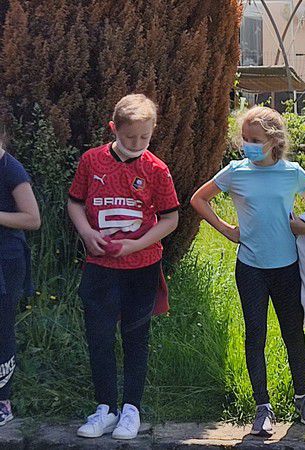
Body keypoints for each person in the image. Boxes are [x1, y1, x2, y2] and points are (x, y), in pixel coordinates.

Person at [190, 106, 305, 437]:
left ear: (274, 141)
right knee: (256, 335)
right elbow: (198, 199)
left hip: (287, 268)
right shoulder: (236, 171)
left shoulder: (292, 172)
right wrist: (227, 230)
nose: (248, 145)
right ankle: (262, 407)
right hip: (251, 267)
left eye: (256, 140)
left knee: (293, 333)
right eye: (245, 139)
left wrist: (304, 225)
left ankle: (302, 399)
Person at [67, 94, 180, 440]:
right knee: (99, 336)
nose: (136, 144)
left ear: (152, 132)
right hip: (99, 265)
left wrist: (135, 244)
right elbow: (74, 202)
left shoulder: (156, 169)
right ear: (114, 128)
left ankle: (131, 408)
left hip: (141, 265)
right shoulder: (92, 161)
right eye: (130, 137)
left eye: (144, 137)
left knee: (135, 336)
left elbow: (171, 218)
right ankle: (105, 407)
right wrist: (86, 233)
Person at [0, 137, 41, 426]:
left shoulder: (10, 168)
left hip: (6, 259)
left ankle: (3, 400)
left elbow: (32, 219)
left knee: (2, 326)